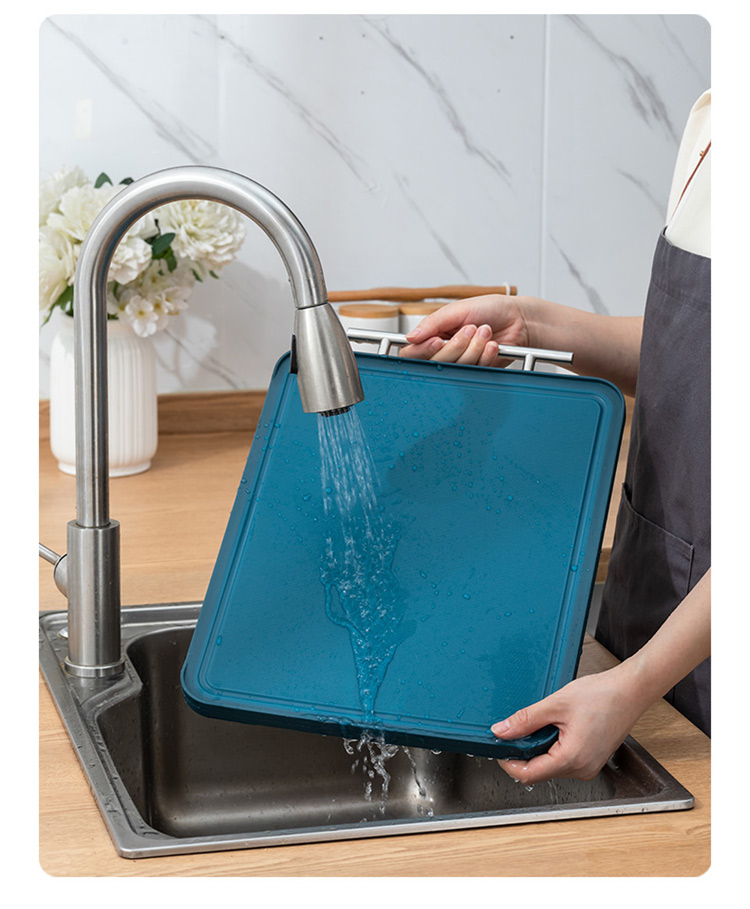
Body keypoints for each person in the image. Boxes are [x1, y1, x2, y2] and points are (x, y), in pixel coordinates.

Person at [400, 90, 711, 784]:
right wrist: (536, 326)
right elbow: (697, 351)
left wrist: (632, 684)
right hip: (652, 614)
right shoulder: (717, 120)